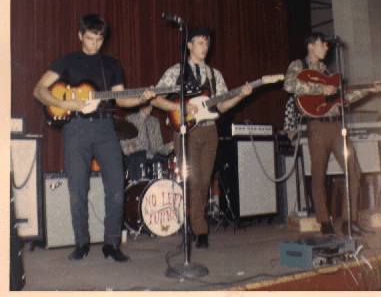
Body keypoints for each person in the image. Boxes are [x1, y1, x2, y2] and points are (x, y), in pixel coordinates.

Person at [33, 14, 155, 262]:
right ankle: (81, 242)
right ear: (80, 36)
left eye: (99, 39)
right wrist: (69, 103)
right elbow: (39, 90)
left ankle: (111, 244)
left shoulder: (110, 64)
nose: (95, 44)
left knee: (116, 186)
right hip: (76, 128)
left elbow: (120, 99)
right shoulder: (67, 61)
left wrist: (142, 98)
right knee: (77, 189)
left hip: (105, 129)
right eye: (90, 38)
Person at [151, 26, 252, 248]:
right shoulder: (176, 70)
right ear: (189, 45)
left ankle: (196, 223)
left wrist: (240, 96)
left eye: (207, 43)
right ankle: (200, 229)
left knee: (205, 181)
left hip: (210, 131)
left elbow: (223, 105)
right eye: (199, 42)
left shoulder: (214, 75)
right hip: (185, 130)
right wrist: (182, 107)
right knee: (194, 179)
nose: (204, 47)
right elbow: (155, 99)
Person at [283, 32, 381, 236]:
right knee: (318, 175)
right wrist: (321, 88)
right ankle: (324, 222)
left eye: (328, 45)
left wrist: (369, 90)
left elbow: (344, 98)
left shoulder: (329, 72)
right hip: (317, 126)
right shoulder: (298, 65)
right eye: (322, 44)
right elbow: (289, 84)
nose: (327, 47)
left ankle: (349, 222)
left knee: (353, 171)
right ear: (311, 46)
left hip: (338, 126)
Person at [120, 104, 174, 181]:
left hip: (151, 157)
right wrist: (129, 149)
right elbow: (123, 144)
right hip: (136, 158)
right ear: (141, 105)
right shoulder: (130, 119)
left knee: (162, 162)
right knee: (140, 157)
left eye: (151, 106)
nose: (151, 108)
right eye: (148, 106)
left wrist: (169, 147)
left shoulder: (154, 121)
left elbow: (158, 147)